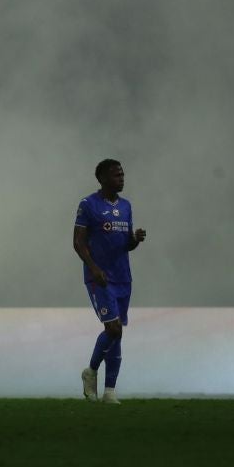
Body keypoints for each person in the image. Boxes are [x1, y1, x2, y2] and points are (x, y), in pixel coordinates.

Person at [73, 159, 146, 404]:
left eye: (123, 175)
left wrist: (135, 239)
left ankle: (109, 391)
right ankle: (91, 371)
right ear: (102, 178)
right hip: (99, 278)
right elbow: (78, 242)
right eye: (116, 175)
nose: (122, 179)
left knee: (117, 333)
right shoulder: (88, 205)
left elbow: (126, 244)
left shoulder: (126, 206)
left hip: (123, 277)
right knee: (113, 328)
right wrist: (93, 268)